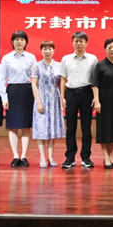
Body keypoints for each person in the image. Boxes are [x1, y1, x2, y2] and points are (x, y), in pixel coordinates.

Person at [59, 31, 98, 169]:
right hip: (71, 93)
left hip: (87, 93)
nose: (79, 43)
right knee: (71, 127)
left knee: (86, 127)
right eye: (76, 41)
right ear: (73, 43)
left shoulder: (93, 59)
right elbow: (62, 79)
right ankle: (70, 157)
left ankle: (86, 157)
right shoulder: (66, 59)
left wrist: (96, 97)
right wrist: (62, 97)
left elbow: (95, 80)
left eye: (81, 41)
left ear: (86, 43)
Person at [0, 30, 37, 167]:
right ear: (12, 42)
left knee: (26, 126)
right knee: (13, 126)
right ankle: (15, 156)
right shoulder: (6, 58)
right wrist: (4, 98)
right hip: (12, 91)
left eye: (22, 39)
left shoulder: (31, 57)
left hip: (27, 91)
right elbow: (2, 79)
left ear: (26, 42)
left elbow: (35, 77)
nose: (19, 42)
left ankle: (24, 156)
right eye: (17, 39)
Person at [31, 40, 65, 168]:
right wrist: (38, 101)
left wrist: (62, 98)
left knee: (52, 129)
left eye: (50, 49)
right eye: (45, 49)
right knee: (41, 129)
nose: (47, 51)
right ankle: (42, 157)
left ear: (54, 50)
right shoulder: (37, 66)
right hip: (42, 99)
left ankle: (51, 157)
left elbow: (60, 83)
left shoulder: (59, 65)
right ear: (41, 51)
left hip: (54, 100)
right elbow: (34, 84)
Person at [92, 38, 113, 169]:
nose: (112, 50)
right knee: (104, 129)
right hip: (104, 102)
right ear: (105, 49)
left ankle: (110, 156)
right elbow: (95, 84)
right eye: (109, 47)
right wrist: (97, 101)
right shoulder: (100, 65)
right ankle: (105, 157)